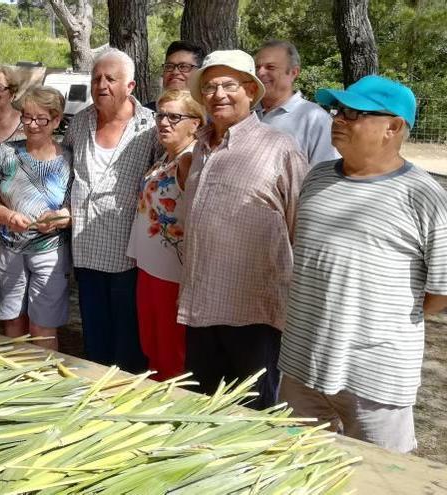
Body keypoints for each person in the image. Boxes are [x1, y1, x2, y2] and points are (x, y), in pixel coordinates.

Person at [278, 76, 447, 453]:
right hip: (301, 364)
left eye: (354, 112)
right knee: (295, 469)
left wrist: (382, 318)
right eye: (337, 110)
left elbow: (440, 292)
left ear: (393, 126)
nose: (338, 118)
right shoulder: (317, 177)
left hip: (375, 378)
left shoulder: (424, 196)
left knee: (382, 476)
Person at [179, 50, 309, 409]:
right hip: (200, 307)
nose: (218, 94)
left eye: (228, 85)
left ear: (251, 90)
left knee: (254, 416)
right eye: (209, 87)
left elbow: (300, 226)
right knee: (199, 410)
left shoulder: (279, 148)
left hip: (253, 313)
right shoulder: (201, 146)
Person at [63, 48, 156, 373]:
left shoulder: (150, 128)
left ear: (130, 86)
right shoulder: (80, 122)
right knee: (96, 341)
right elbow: (65, 172)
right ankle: (95, 397)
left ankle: (124, 403)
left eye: (110, 79)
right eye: (96, 78)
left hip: (128, 255)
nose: (101, 85)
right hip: (86, 251)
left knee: (128, 344)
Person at [126, 89, 204, 381]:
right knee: (152, 345)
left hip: (173, 275)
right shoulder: (165, 157)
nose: (164, 122)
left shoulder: (188, 161)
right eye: (161, 115)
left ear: (195, 123)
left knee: (172, 353)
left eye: (175, 116)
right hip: (149, 268)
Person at [0, 86, 73, 351]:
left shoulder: (68, 159)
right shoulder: (5, 152)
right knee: (12, 321)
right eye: (27, 117)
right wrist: (7, 215)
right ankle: (13, 380)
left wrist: (63, 217)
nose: (32, 125)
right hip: (7, 249)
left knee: (43, 325)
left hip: (49, 253)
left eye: (41, 119)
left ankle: (44, 382)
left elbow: (74, 206)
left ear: (57, 120)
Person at [255, 40, 339, 165]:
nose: (260, 73)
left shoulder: (315, 119)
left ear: (294, 72)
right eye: (257, 67)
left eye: (270, 67)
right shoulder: (244, 112)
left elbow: (325, 175)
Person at [144, 41, 206, 111]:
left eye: (184, 67)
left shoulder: (212, 116)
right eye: (169, 66)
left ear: (200, 73)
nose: (175, 72)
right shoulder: (145, 114)